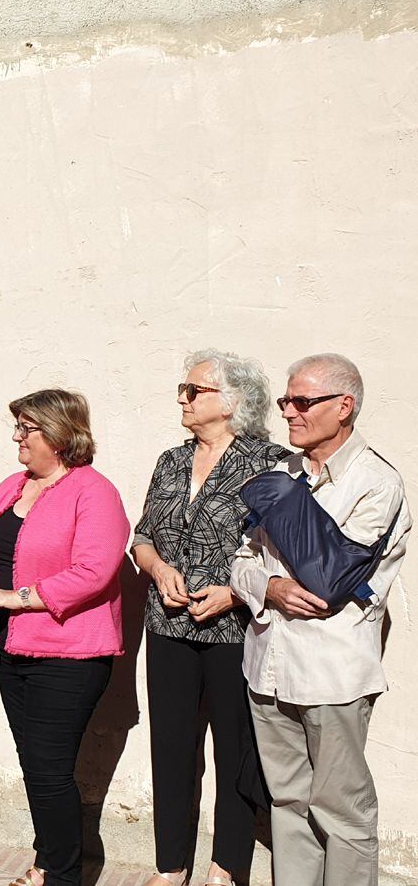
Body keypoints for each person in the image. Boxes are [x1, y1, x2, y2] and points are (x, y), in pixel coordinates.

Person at [231, 353, 410, 886]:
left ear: (344, 406)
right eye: (287, 400)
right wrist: (270, 585)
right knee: (287, 803)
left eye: (302, 401)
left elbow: (327, 580)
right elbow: (241, 562)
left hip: (331, 675)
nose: (288, 412)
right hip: (267, 665)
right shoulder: (279, 475)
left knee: (342, 811)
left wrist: (288, 569)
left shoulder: (377, 483)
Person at [131, 351, 289, 886]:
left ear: (232, 401)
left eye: (193, 389)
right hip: (168, 624)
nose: (182, 397)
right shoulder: (170, 461)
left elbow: (284, 555)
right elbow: (142, 537)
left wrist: (237, 595)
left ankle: (227, 867)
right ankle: (171, 866)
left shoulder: (270, 463)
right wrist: (156, 571)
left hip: (236, 630)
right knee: (172, 749)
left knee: (235, 750)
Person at [0, 389, 128, 886]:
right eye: (17, 426)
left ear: (58, 434)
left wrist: (20, 597)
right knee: (35, 765)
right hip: (13, 648)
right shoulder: (15, 485)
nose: (17, 436)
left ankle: (62, 875)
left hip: (70, 653)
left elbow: (96, 570)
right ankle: (47, 861)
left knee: (50, 768)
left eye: (27, 427)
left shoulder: (93, 491)